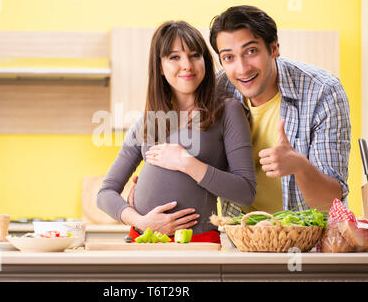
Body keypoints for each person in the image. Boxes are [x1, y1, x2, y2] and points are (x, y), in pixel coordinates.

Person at [97, 21, 256, 242]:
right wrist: (141, 222)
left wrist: (186, 162)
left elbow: (246, 192)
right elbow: (105, 194)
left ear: (205, 61)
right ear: (160, 67)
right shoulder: (148, 121)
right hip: (142, 239)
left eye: (194, 55)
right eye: (174, 57)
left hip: (197, 243)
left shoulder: (228, 111)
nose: (187, 65)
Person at [204, 5, 351, 216]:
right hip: (241, 239)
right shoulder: (216, 91)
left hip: (307, 241)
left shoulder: (323, 92)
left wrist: (300, 166)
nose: (242, 68)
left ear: (274, 49)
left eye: (251, 51)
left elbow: (330, 204)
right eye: (229, 57)